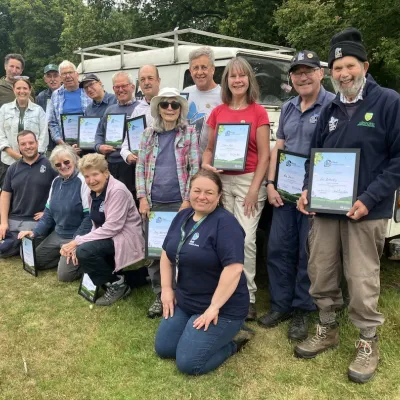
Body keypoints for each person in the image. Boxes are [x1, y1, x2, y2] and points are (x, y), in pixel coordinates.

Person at [295, 28, 400, 384]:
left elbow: (398, 161)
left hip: (367, 210)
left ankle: (368, 340)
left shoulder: (389, 102)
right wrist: (309, 187)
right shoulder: (332, 107)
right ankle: (327, 328)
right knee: (321, 268)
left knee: (361, 277)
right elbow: (315, 155)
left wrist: (368, 199)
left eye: (350, 66)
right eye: (337, 67)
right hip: (327, 208)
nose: (343, 74)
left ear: (365, 66)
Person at [257, 51, 335, 340]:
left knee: (307, 253)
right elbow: (280, 146)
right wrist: (271, 183)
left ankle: (303, 309)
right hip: (285, 191)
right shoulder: (289, 107)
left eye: (308, 71)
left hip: (313, 193)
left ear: (320, 74)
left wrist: (314, 190)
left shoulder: (333, 106)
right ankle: (280, 305)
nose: (302, 77)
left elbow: (333, 153)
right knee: (278, 248)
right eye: (297, 72)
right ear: (291, 78)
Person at [155, 169, 250, 375]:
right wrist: (166, 289)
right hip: (186, 301)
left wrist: (214, 307)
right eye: (197, 190)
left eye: (209, 192)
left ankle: (232, 344)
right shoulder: (182, 216)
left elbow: (234, 269)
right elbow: (166, 254)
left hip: (223, 308)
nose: (202, 197)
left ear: (219, 196)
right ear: (190, 192)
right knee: (164, 349)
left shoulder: (226, 224)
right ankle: (193, 331)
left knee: (189, 364)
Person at [203, 57, 270, 321]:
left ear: (249, 80)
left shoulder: (258, 112)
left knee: (246, 239)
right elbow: (209, 150)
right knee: (222, 239)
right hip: (222, 182)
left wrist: (255, 190)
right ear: (226, 81)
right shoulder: (218, 112)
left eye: (242, 76)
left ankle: (248, 296)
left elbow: (265, 155)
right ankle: (224, 293)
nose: (238, 80)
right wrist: (208, 165)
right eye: (233, 76)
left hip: (248, 181)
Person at [136, 87, 199, 318]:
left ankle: (180, 294)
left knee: (180, 251)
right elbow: (140, 166)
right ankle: (159, 293)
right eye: (165, 104)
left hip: (179, 202)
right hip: (153, 203)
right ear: (158, 108)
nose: (170, 108)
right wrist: (142, 198)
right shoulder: (147, 134)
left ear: (181, 108)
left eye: (175, 104)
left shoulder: (190, 133)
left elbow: (195, 168)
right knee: (155, 252)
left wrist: (187, 200)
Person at [60, 153, 145, 305]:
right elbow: (96, 224)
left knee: (84, 251)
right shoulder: (92, 191)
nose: (91, 180)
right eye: (86, 176)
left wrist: (78, 242)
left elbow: (113, 227)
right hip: (109, 236)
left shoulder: (117, 190)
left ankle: (118, 286)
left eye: (95, 174)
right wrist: (82, 241)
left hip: (125, 237)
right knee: (85, 251)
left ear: (106, 173)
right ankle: (138, 276)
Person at [18, 145, 91, 280]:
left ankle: (83, 258)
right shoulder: (56, 182)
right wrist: (34, 232)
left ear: (74, 160)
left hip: (76, 236)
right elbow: (48, 215)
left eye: (66, 162)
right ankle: (63, 257)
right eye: (58, 164)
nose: (63, 166)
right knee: (33, 260)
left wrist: (75, 242)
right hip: (58, 234)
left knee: (64, 275)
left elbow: (88, 218)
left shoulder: (83, 182)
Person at [0, 130, 57, 257]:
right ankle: (15, 242)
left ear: (37, 143)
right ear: (19, 147)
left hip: (36, 222)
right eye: (23, 144)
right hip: (14, 220)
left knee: (26, 254)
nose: (27, 147)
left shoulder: (50, 165)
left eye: (31, 143)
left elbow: (60, 193)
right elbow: (5, 195)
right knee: (3, 251)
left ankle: (18, 243)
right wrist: (3, 223)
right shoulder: (12, 168)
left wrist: (48, 212)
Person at [95, 71, 139, 192]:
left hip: (131, 165)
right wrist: (99, 147)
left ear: (132, 87)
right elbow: (99, 133)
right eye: (117, 87)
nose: (120, 90)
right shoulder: (110, 110)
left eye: (124, 86)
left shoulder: (140, 108)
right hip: (111, 163)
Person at [0, 77, 48, 187]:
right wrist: (13, 154)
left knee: (30, 193)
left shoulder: (38, 110)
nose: (22, 91)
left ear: (30, 90)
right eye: (18, 88)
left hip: (33, 162)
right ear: (14, 90)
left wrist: (33, 157)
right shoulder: (4, 109)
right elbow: (0, 134)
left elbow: (43, 136)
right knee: (7, 193)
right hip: (8, 161)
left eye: (25, 88)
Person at [184, 47, 222, 157]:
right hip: (187, 164)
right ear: (190, 71)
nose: (199, 72)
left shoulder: (224, 96)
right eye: (195, 68)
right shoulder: (185, 93)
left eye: (204, 67)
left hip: (211, 164)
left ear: (212, 69)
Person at [120, 65, 161, 165]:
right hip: (143, 168)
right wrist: (127, 155)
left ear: (158, 81)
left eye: (150, 78)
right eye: (142, 79)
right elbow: (127, 140)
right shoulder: (137, 110)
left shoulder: (169, 106)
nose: (146, 82)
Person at [48, 60, 92, 145]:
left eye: (70, 72)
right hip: (66, 146)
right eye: (64, 74)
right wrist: (60, 142)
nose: (68, 76)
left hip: (88, 142)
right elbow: (52, 122)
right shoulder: (55, 95)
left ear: (77, 74)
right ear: (60, 77)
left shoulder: (88, 91)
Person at [36, 64, 62, 153]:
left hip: (66, 142)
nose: (52, 79)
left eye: (55, 76)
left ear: (61, 77)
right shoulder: (41, 97)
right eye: (49, 76)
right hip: (48, 144)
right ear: (45, 79)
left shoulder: (67, 93)